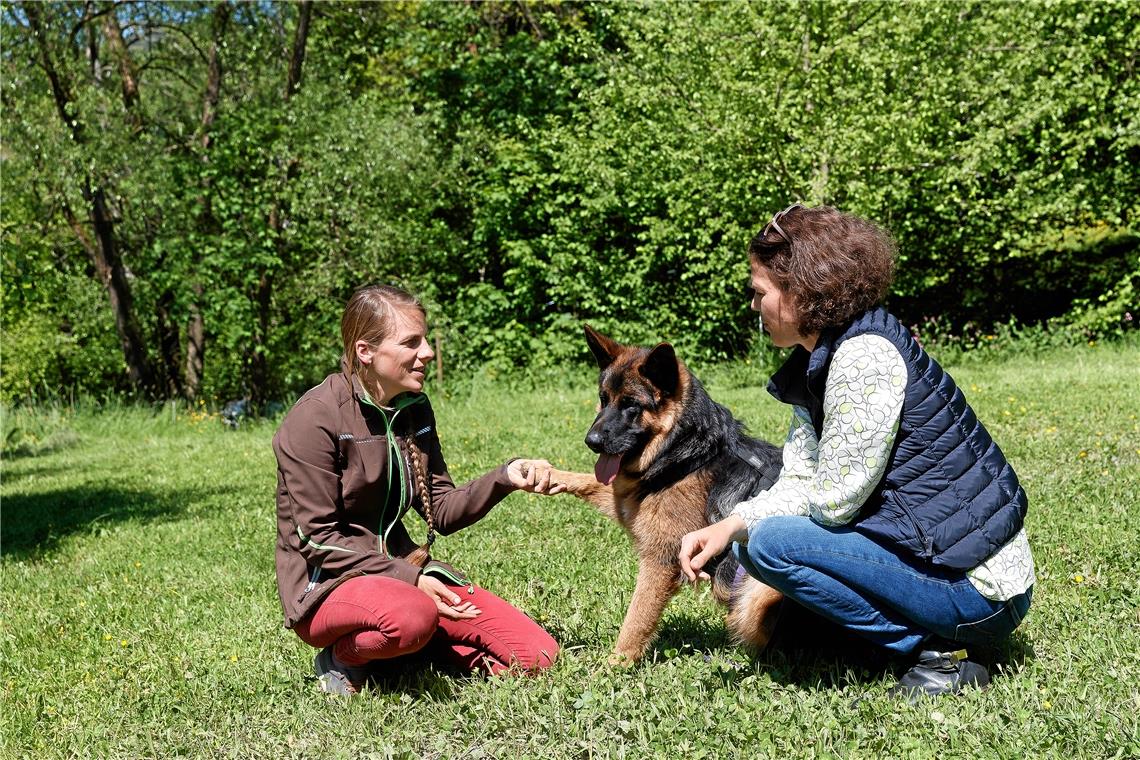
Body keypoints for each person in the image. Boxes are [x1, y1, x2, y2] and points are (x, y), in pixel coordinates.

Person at [679, 205, 1034, 702]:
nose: (753, 306)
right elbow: (800, 476)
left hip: (983, 591)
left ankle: (940, 653)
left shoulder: (862, 358)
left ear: (800, 290)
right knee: (746, 541)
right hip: (939, 564)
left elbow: (835, 501)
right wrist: (728, 524)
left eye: (760, 293)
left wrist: (748, 527)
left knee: (770, 544)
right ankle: (899, 637)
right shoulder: (822, 359)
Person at [273, 284, 562, 695]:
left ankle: (405, 649)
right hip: (326, 585)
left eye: (425, 339)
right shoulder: (314, 419)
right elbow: (317, 540)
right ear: (365, 352)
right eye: (411, 342)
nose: (427, 352)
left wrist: (505, 477)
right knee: (412, 617)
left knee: (537, 657)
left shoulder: (414, 407)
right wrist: (408, 577)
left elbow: (440, 511)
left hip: (402, 575)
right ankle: (343, 657)